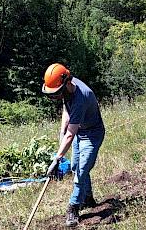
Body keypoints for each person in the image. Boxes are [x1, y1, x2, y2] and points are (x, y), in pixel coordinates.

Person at [42, 63, 105, 228]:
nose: (55, 97)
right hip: (79, 131)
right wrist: (62, 131)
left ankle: (73, 207)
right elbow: (66, 110)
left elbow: (71, 134)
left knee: (82, 170)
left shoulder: (81, 98)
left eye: (56, 94)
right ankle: (88, 198)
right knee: (76, 166)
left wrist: (57, 158)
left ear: (66, 83)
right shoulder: (68, 91)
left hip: (92, 134)